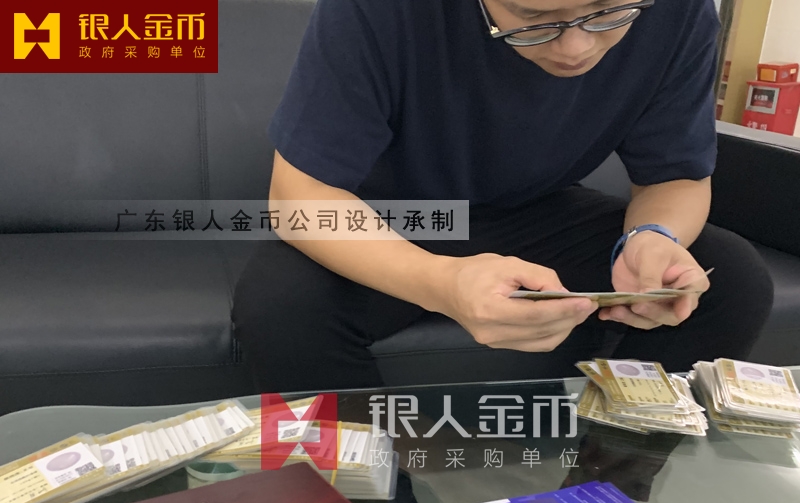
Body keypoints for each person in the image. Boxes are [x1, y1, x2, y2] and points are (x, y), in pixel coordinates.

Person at [233, 0, 774, 392]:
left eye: (607, 12)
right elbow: (300, 197)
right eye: (534, 19)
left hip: (538, 210)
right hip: (391, 219)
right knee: (283, 306)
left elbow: (674, 176)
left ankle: (609, 492)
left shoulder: (679, 12)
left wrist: (651, 237)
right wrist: (441, 282)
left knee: (725, 279)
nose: (576, 47)